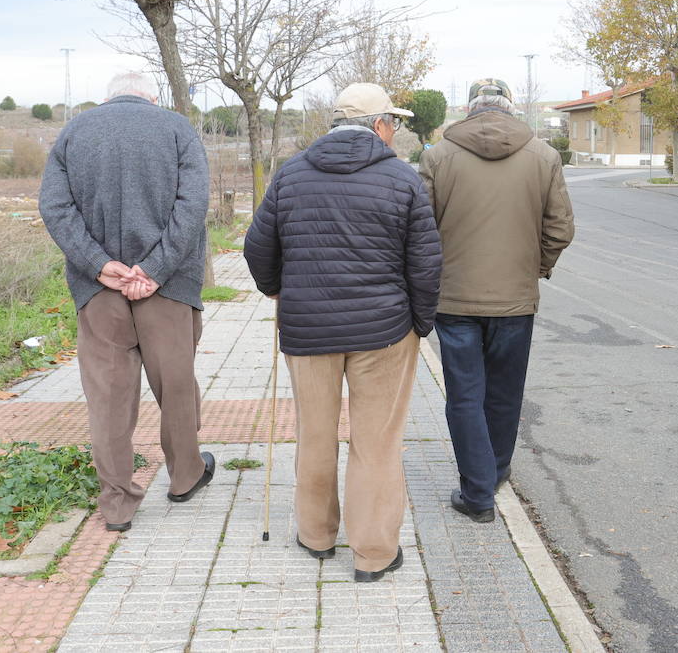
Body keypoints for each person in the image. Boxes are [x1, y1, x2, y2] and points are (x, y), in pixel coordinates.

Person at [243, 82, 441, 583]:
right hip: (385, 332)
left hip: (308, 331)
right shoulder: (402, 179)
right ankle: (373, 554)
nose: (395, 131)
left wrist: (277, 291)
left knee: (315, 433)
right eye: (393, 122)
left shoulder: (291, 174)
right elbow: (425, 263)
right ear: (379, 125)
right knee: (376, 443)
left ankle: (316, 536)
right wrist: (422, 321)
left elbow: (257, 248)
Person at [39, 71, 215, 533]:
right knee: (176, 386)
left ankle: (117, 502)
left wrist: (98, 264)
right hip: (169, 288)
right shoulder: (178, 127)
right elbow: (192, 206)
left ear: (107, 96)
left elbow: (55, 208)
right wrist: (155, 269)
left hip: (99, 290)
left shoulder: (74, 131)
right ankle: (184, 477)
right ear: (152, 98)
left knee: (109, 399)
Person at [419, 78, 574, 523]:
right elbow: (560, 228)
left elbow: (422, 231)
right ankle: (497, 470)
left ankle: (477, 492)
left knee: (465, 396)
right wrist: (535, 266)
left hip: (454, 300)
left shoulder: (437, 157)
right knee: (505, 393)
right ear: (510, 107)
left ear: (469, 109)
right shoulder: (544, 156)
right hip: (515, 301)